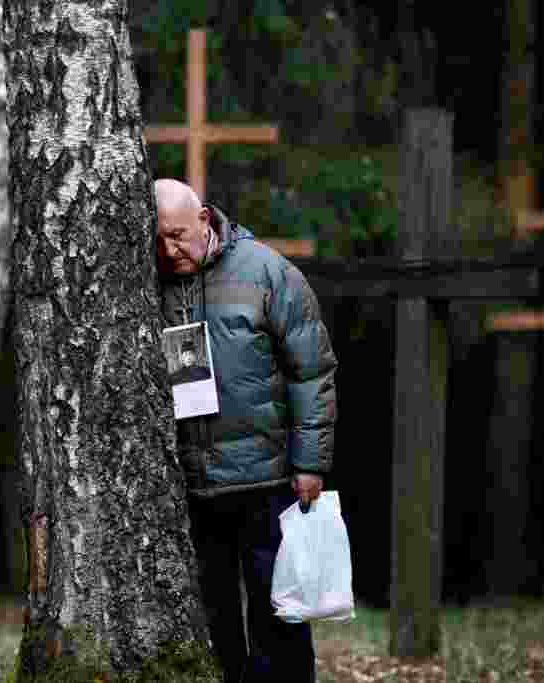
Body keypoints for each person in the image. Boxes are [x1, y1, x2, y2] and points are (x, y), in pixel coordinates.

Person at [154, 178, 337, 682]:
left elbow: (312, 371)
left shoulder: (267, 272)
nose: (168, 252)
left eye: (177, 236)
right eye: (157, 240)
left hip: (268, 479)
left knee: (279, 608)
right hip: (190, 485)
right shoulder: (148, 281)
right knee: (212, 617)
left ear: (205, 219)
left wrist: (310, 463)